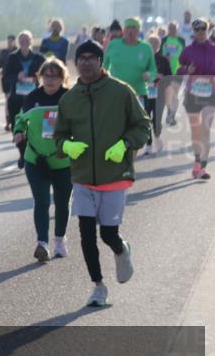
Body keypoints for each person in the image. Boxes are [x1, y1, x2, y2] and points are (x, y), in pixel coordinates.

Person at [53, 40, 151, 307]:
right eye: (81, 58)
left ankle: (121, 249)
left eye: (91, 57)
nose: (86, 62)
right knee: (86, 234)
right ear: (76, 63)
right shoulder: (69, 99)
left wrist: (126, 144)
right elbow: (58, 136)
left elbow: (143, 126)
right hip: (83, 176)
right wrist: (66, 146)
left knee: (108, 234)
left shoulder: (121, 92)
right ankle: (98, 286)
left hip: (114, 175)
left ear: (100, 61)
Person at [12, 59, 73, 261]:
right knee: (42, 201)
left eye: (54, 75)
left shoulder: (69, 98)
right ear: (41, 77)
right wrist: (19, 132)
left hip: (63, 160)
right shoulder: (32, 97)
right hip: (36, 160)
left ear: (62, 78)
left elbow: (81, 122)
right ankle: (42, 243)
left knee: (62, 202)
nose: (49, 79)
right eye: (46, 75)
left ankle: (59, 239)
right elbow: (20, 120)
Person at [178, 18, 215, 180]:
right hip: (192, 94)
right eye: (197, 29)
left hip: (210, 93)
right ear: (193, 31)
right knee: (196, 131)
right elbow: (179, 70)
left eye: (203, 28)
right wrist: (186, 70)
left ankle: (202, 167)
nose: (200, 31)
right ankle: (196, 162)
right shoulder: (188, 51)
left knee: (205, 129)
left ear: (207, 29)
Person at [104, 17, 157, 157]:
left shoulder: (146, 48)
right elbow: (103, 67)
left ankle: (130, 162)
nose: (131, 31)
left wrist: (149, 75)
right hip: (116, 93)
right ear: (123, 30)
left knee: (135, 130)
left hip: (138, 93)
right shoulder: (113, 45)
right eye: (128, 28)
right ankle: (119, 157)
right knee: (116, 128)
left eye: (134, 28)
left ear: (138, 30)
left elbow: (153, 70)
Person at [3, 31, 46, 166]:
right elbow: (6, 77)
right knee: (17, 126)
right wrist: (17, 77)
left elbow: (47, 75)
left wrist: (37, 78)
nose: (24, 42)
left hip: (35, 97)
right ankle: (22, 153)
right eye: (21, 40)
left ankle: (35, 152)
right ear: (18, 42)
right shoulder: (12, 58)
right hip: (16, 97)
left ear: (31, 42)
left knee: (34, 127)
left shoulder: (39, 58)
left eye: (26, 40)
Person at [147, 34, 173, 154]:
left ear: (158, 45)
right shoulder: (143, 59)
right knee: (145, 118)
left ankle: (157, 137)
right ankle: (148, 143)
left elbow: (170, 77)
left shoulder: (163, 60)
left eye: (155, 43)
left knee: (156, 119)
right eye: (150, 42)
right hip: (145, 92)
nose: (152, 45)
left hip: (160, 93)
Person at [0, 34, 18, 130]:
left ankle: (13, 120)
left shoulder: (17, 52)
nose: (9, 43)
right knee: (7, 100)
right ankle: (8, 122)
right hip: (5, 79)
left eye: (11, 41)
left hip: (15, 79)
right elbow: (0, 64)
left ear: (14, 42)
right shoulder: (3, 52)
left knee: (13, 100)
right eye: (8, 41)